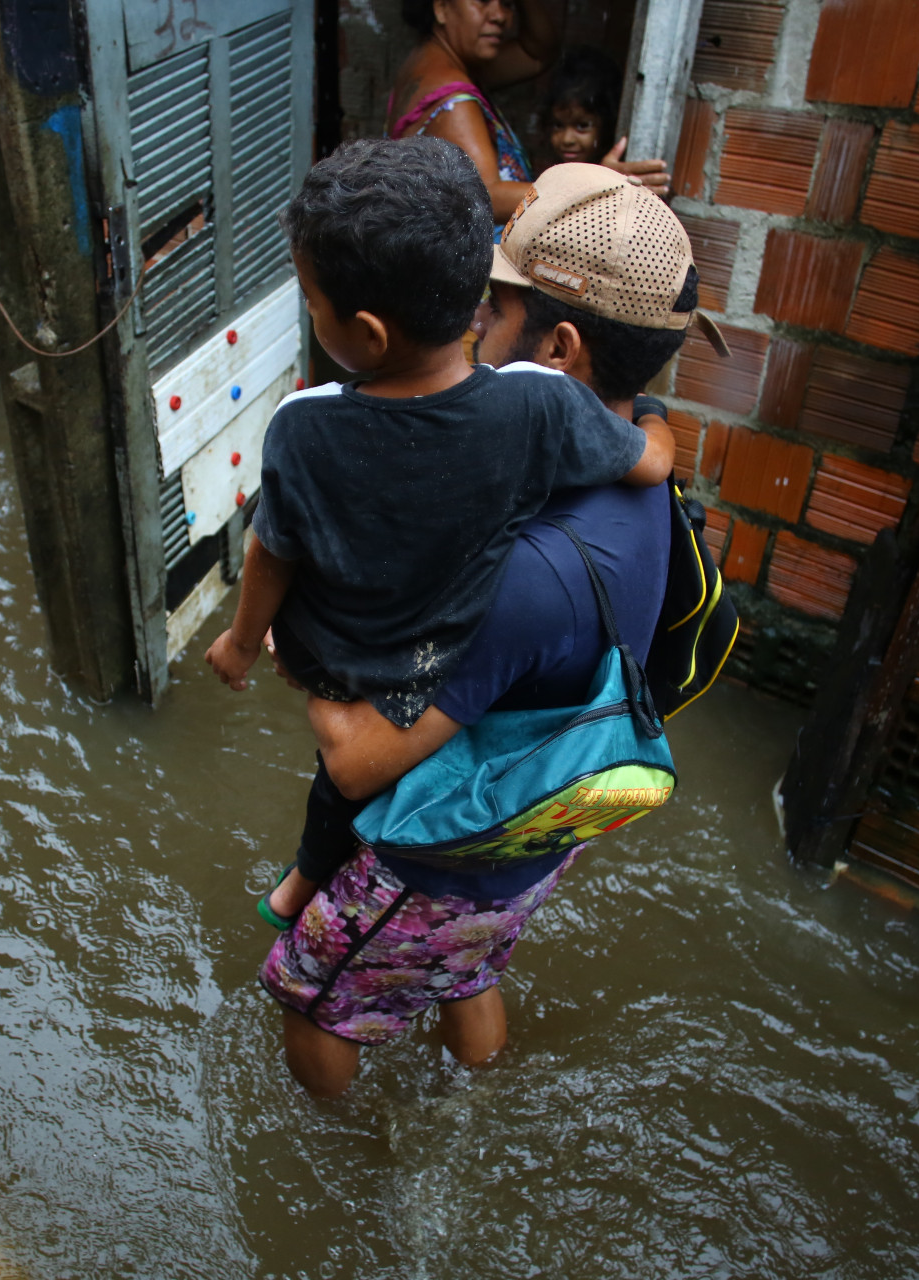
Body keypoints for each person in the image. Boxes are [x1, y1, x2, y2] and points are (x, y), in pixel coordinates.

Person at [258, 163, 728, 1096]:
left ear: (558, 346)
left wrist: (296, 645)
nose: (471, 323)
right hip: (535, 827)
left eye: (493, 307)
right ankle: (476, 1092)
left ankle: (340, 1185)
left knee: (312, 997)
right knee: (470, 958)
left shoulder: (528, 576)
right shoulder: (640, 466)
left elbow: (357, 760)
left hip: (436, 854)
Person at [203, 141, 676, 924]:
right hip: (514, 799)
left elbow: (273, 553)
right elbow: (648, 464)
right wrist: (659, 421)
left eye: (312, 304)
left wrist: (253, 645)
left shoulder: (306, 426)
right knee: (467, 964)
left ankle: (299, 886)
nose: (486, 310)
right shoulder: (543, 411)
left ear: (366, 331)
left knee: (308, 998)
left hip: (378, 738)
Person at [385, 0, 668, 227]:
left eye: (507, 3)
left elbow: (538, 52)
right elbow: (488, 197)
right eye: (483, 1)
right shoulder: (454, 103)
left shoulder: (431, 64)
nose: (500, 16)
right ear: (441, 7)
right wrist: (594, 187)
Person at [539, 46, 623, 168]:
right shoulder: (555, 173)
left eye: (582, 126)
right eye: (558, 125)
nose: (567, 139)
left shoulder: (617, 174)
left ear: (607, 127)